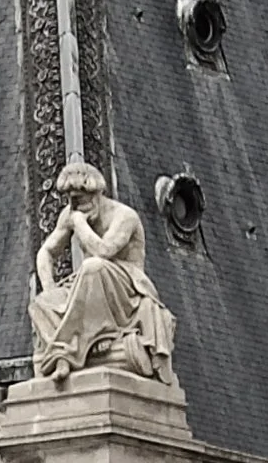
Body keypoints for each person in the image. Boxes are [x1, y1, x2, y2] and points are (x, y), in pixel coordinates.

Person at [28, 164, 177, 388]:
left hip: (128, 288)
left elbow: (104, 251)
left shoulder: (125, 216)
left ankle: (72, 348)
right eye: (71, 199)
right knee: (40, 304)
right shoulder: (70, 214)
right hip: (91, 286)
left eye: (80, 199)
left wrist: (79, 224)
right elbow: (46, 253)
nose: (75, 206)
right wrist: (50, 289)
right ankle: (70, 349)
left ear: (97, 194)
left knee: (93, 267)